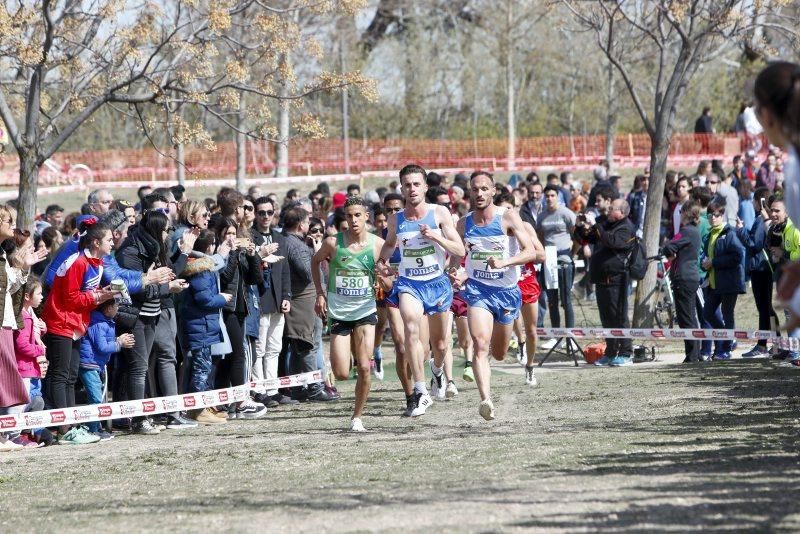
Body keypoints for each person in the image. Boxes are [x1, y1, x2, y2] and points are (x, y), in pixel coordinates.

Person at [378, 164, 464, 417]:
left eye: (416, 184)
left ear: (425, 187)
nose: (412, 189)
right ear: (402, 188)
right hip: (409, 284)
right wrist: (381, 264)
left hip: (437, 283)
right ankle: (420, 391)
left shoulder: (440, 213)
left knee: (439, 344)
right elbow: (389, 244)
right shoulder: (396, 219)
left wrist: (435, 237)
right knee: (411, 330)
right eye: (407, 185)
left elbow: (460, 250)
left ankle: (437, 370)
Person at [449, 171, 534, 420]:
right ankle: (485, 399)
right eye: (475, 189)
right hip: (478, 290)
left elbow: (530, 252)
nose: (479, 194)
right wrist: (457, 270)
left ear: (493, 191)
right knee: (480, 345)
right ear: (469, 192)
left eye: (484, 189)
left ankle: (502, 351)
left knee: (498, 352)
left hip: (507, 292)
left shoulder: (508, 217)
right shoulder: (464, 224)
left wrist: (505, 262)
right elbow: (459, 254)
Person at [115, 210, 192, 434]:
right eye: (166, 230)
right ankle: (139, 420)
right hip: (135, 317)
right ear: (157, 230)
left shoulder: (156, 249)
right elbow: (134, 290)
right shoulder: (130, 252)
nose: (169, 234)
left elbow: (166, 276)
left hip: (152, 314)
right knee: (138, 369)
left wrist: (182, 258)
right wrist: (168, 288)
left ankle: (146, 416)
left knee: (144, 366)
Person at [312, 196, 384, 432]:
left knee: (364, 367)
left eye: (357, 215)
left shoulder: (377, 245)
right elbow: (315, 262)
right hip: (340, 312)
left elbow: (390, 275)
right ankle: (350, 352)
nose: (353, 220)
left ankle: (357, 417)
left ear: (366, 217)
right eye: (349, 215)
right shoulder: (333, 243)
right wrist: (320, 293)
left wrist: (384, 281)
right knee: (342, 373)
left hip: (365, 311)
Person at [42, 219, 116, 444]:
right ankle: (63, 428)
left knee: (72, 376)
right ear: (95, 242)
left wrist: (103, 295)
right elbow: (70, 297)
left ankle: (71, 424)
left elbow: (85, 298)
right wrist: (97, 296)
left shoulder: (98, 264)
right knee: (60, 374)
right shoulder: (78, 262)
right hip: (60, 321)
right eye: (109, 240)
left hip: (76, 324)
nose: (113, 243)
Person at [212, 217, 267, 418]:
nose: (232, 237)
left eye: (234, 234)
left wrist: (253, 257)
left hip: (241, 308)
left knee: (231, 357)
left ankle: (228, 404)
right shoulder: (218, 253)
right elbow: (225, 277)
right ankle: (239, 401)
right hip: (226, 309)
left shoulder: (240, 252)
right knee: (236, 356)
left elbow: (255, 280)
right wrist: (233, 252)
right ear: (220, 235)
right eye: (228, 234)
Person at [283, 207, 336, 402]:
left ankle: (299, 389)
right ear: (300, 224)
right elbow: (308, 273)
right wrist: (317, 254)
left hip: (301, 301)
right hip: (304, 301)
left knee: (300, 348)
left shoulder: (288, 242)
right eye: (306, 222)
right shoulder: (296, 246)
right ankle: (314, 388)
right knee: (308, 345)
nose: (308, 226)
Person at [574, 198, 636, 366]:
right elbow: (588, 238)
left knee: (619, 317)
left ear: (621, 212)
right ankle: (610, 352)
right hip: (601, 279)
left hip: (618, 280)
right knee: (606, 318)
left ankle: (625, 352)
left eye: (611, 209)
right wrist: (581, 226)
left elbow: (612, 241)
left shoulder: (626, 228)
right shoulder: (606, 224)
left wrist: (596, 225)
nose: (607, 211)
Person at [180, 230, 232, 424]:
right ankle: (199, 410)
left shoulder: (201, 266)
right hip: (199, 327)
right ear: (209, 246)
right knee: (201, 370)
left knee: (204, 367)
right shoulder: (200, 269)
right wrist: (222, 298)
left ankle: (205, 407)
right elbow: (205, 299)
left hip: (204, 326)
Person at [494, 191, 545, 386]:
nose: (506, 214)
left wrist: (523, 253)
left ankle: (530, 366)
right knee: (511, 321)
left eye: (509, 209)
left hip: (526, 281)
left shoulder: (525, 227)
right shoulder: (494, 230)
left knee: (532, 329)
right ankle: (519, 340)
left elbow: (541, 255)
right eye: (502, 210)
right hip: (505, 283)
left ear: (515, 209)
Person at [250, 197, 295, 407]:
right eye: (261, 212)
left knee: (274, 347)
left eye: (269, 212)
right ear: (255, 214)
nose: (265, 216)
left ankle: (272, 389)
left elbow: (285, 271)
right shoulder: (251, 237)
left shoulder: (281, 238)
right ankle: (259, 390)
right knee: (259, 348)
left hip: (278, 301)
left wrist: (287, 297)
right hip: (260, 299)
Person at [79, 299, 136, 440]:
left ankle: (97, 427)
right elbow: (102, 347)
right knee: (95, 397)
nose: (118, 309)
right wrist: (119, 343)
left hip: (95, 363)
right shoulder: (99, 324)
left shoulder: (103, 322)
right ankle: (93, 429)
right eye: (116, 306)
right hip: (89, 363)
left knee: (97, 396)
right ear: (109, 308)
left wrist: (117, 339)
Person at [700, 201, 746, 360]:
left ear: (722, 216)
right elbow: (707, 256)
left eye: (717, 215)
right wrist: (705, 263)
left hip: (729, 282)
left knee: (728, 314)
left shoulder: (729, 233)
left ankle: (725, 349)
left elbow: (738, 256)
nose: (713, 218)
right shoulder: (710, 234)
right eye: (710, 215)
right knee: (708, 312)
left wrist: (714, 262)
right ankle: (727, 339)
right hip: (714, 282)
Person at [737, 188, 778, 358]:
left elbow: (755, 244)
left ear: (759, 201)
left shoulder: (761, 220)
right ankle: (776, 343)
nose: (753, 204)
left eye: (755, 200)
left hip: (761, 268)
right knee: (766, 308)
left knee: (764, 308)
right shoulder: (761, 220)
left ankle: (764, 345)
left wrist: (741, 230)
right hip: (760, 268)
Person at [661, 202, 702, 363]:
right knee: (691, 317)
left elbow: (669, 247)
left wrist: (670, 253)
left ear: (685, 213)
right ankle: (695, 353)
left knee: (686, 319)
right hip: (691, 276)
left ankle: (692, 356)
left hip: (683, 277)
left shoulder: (685, 231)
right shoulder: (695, 231)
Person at [537, 184, 577, 332]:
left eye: (552, 195)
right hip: (549, 259)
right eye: (547, 196)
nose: (549, 198)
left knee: (566, 300)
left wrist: (573, 251)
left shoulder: (566, 213)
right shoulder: (542, 216)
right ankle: (555, 335)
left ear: (558, 197)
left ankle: (569, 335)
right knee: (552, 300)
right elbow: (540, 236)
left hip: (564, 257)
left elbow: (576, 234)